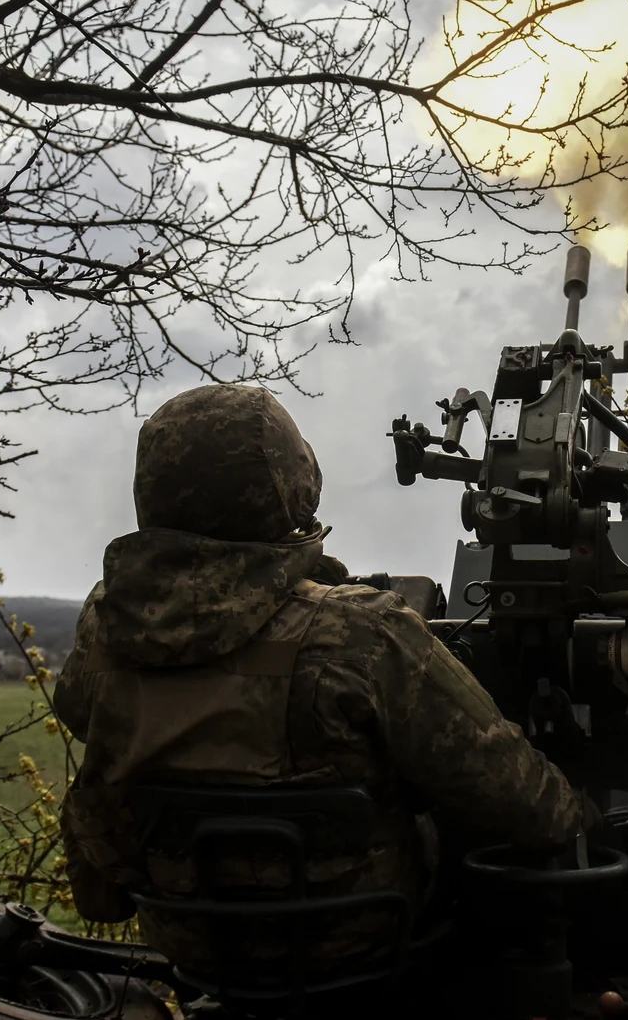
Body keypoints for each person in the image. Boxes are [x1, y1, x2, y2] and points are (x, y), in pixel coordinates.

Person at [54, 383, 584, 993]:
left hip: (196, 947)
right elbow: (522, 801)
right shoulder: (359, 632)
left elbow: (84, 714)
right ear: (293, 485)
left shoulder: (106, 627)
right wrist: (586, 812)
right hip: (361, 952)